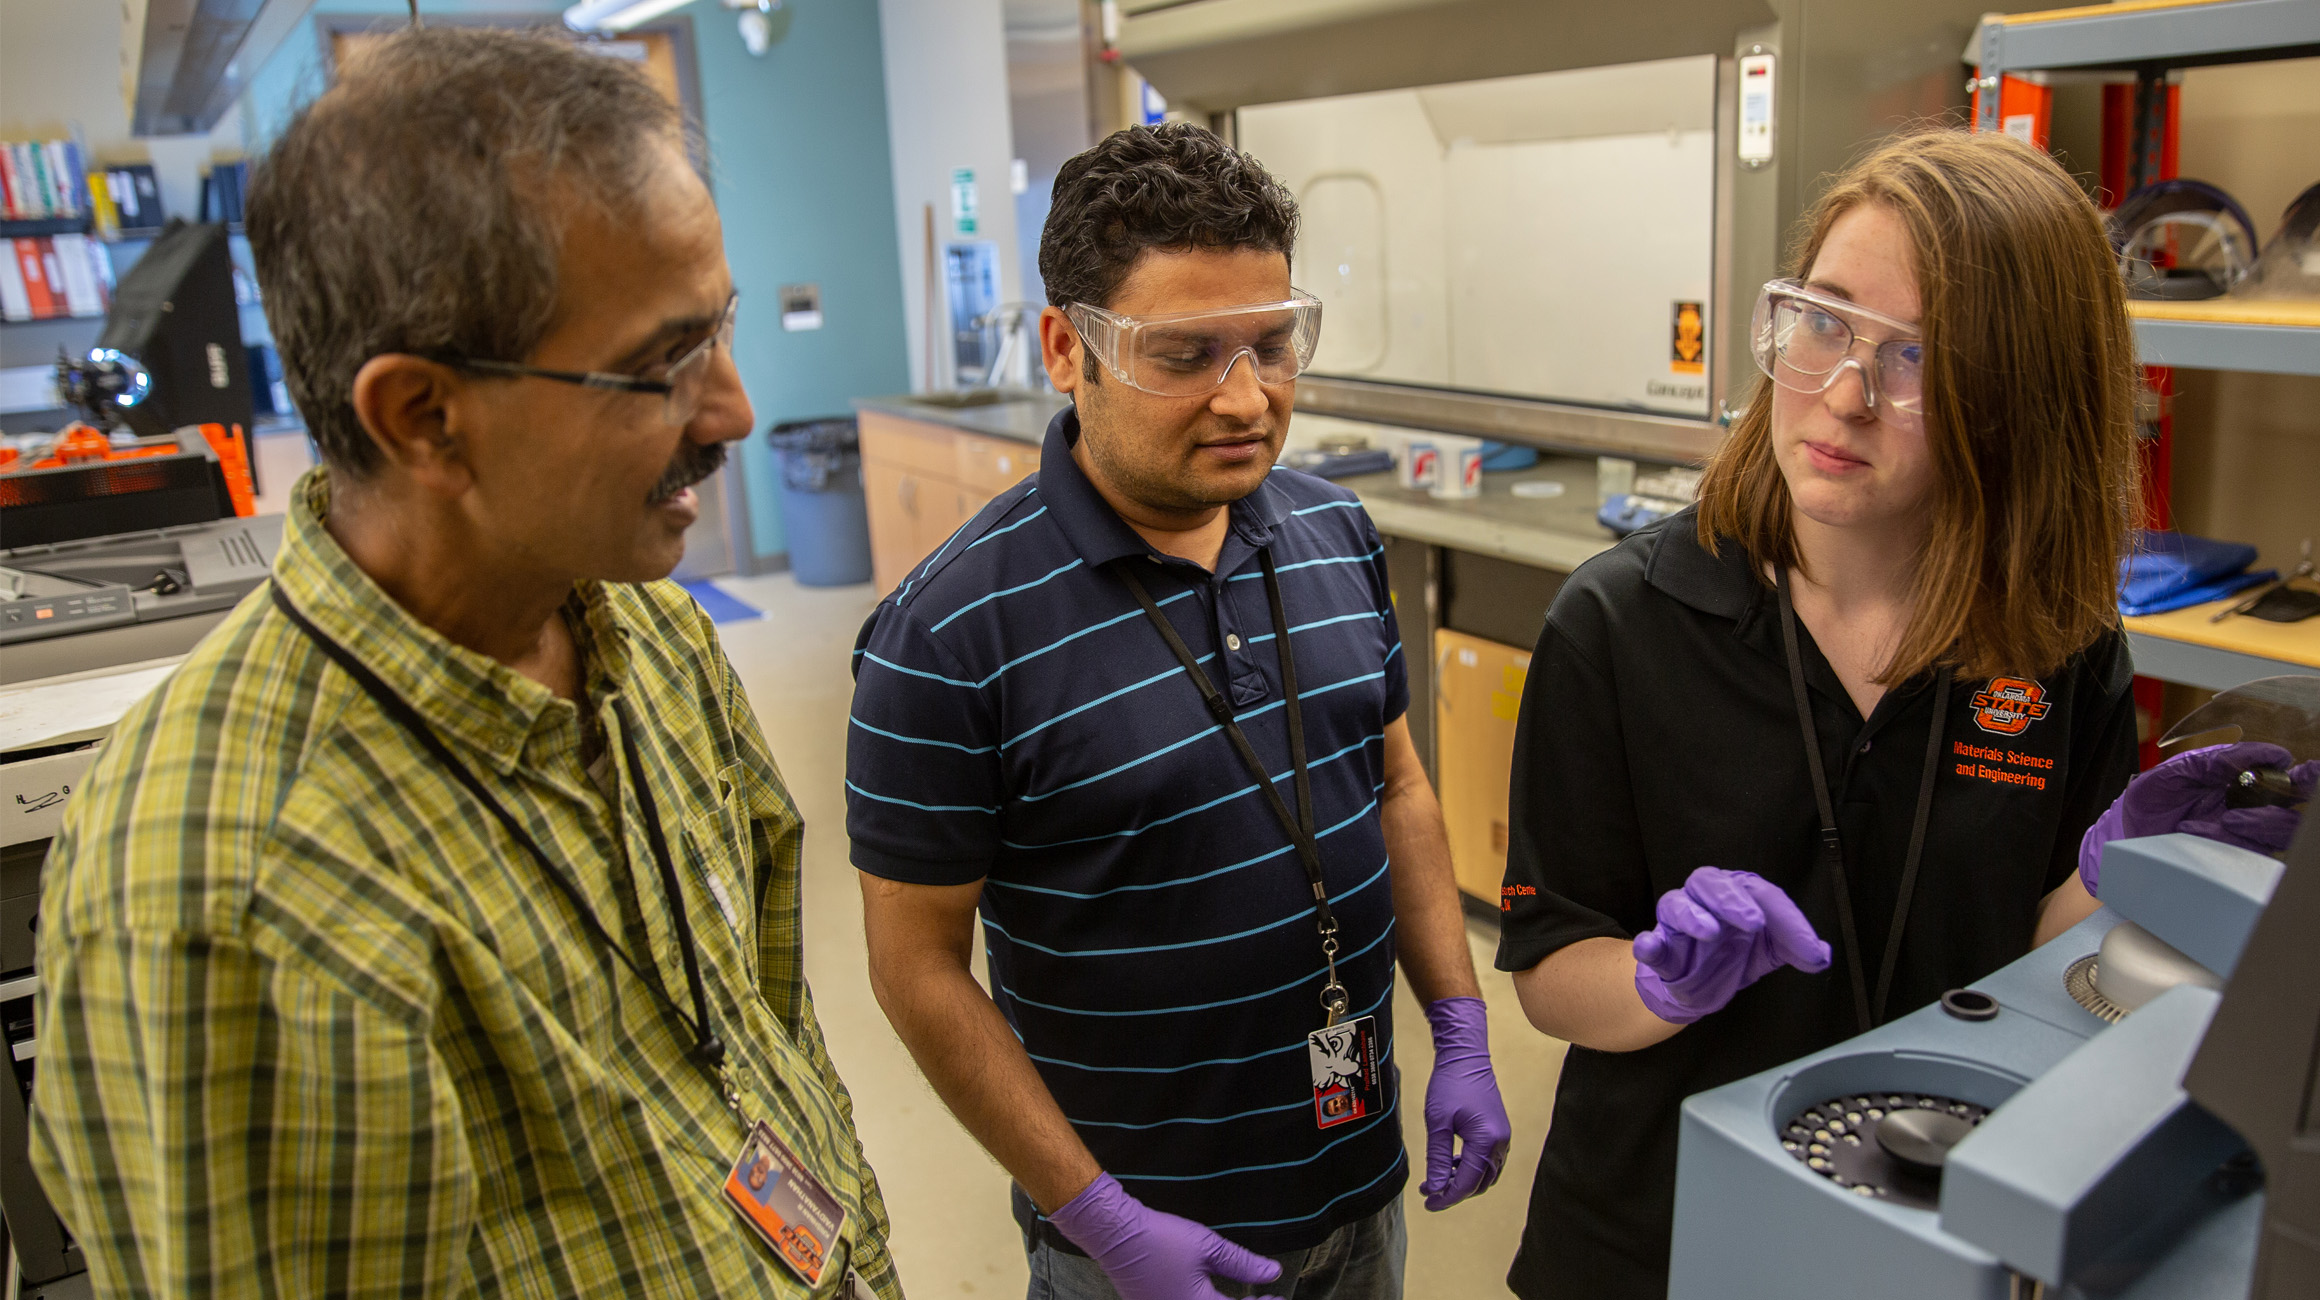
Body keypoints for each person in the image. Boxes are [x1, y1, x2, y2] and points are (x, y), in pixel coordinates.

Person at [30, 28, 899, 1299]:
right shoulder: (238, 893)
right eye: (663, 366)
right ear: (424, 416)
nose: (733, 412)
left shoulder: (645, 636)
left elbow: (761, 1028)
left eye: (718, 326)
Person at [1493, 130, 2302, 1298]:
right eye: (1822, 320)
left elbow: (2042, 941)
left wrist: (2130, 865)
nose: (1844, 394)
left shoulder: (2056, 638)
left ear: (2023, 398)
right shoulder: (1619, 623)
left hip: (1940, 1215)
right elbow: (1551, 969)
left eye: (1918, 356)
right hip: (1654, 1232)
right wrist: (1659, 981)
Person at [849, 122, 1509, 1300]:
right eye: (1185, 353)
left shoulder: (1335, 532)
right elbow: (916, 968)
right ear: (1067, 348)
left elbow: (1396, 784)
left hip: (1356, 1181)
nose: (1246, 396)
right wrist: (1094, 1213)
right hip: (1135, 1235)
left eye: (1271, 342)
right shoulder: (948, 633)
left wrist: (1456, 1022)